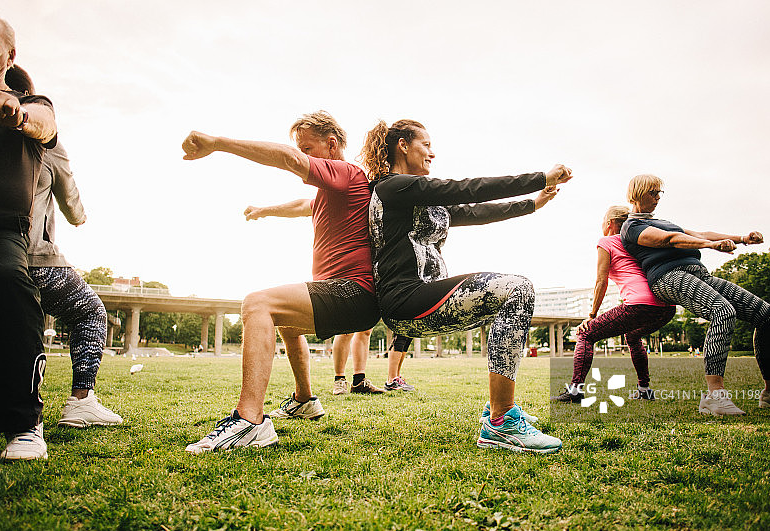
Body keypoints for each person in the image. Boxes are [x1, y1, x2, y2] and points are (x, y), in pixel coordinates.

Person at [361, 119, 571, 453]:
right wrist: (539, 178)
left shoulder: (417, 196)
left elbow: (474, 211)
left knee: (511, 298)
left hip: (424, 299)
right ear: (403, 145)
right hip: (405, 300)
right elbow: (467, 188)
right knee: (516, 290)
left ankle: (498, 411)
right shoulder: (393, 187)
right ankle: (501, 422)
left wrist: (533, 203)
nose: (432, 152)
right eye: (425, 144)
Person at [181, 111, 380, 452]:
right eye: (300, 148)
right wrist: (266, 209)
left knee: (257, 303)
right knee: (286, 321)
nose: (301, 155)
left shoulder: (346, 173)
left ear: (331, 145)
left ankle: (249, 421)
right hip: (347, 294)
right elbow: (305, 205)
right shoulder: (332, 190)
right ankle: (304, 400)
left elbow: (287, 159)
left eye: (307, 148)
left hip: (354, 293)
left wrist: (218, 143)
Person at [4, 65, 122, 427]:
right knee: (89, 312)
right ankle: (81, 400)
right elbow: (73, 207)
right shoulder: (44, 140)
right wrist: (81, 216)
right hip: (32, 257)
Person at [0, 5, 58, 460]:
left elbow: (45, 126)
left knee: (8, 284)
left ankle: (23, 424)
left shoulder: (32, 104)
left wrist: (15, 115)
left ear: (8, 54)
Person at [620, 174, 770, 414]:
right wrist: (712, 246)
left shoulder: (663, 221)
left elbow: (700, 234)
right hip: (668, 277)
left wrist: (742, 239)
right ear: (638, 192)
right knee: (723, 311)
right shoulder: (631, 227)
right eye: (653, 192)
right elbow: (669, 240)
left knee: (767, 315)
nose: (658, 197)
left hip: (700, 274)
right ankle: (715, 396)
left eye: (661, 192)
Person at [243, 199, 383, 395]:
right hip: (339, 279)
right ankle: (338, 379)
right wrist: (263, 210)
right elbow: (304, 206)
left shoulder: (371, 196)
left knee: (364, 330)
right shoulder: (344, 196)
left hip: (367, 280)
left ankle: (358, 380)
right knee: (342, 332)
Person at [551, 205, 676, 403]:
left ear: (609, 223)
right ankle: (644, 389)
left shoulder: (606, 241)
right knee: (633, 336)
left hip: (639, 304)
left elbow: (601, 281)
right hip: (667, 307)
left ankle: (575, 391)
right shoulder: (638, 241)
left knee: (586, 333)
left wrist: (592, 315)